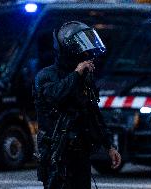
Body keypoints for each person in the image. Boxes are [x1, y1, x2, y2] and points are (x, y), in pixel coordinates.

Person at [34, 21, 121, 189]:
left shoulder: (84, 78)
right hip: (56, 154)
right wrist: (76, 74)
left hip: (80, 153)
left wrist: (109, 146)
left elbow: (93, 114)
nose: (86, 54)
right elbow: (55, 95)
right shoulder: (46, 75)